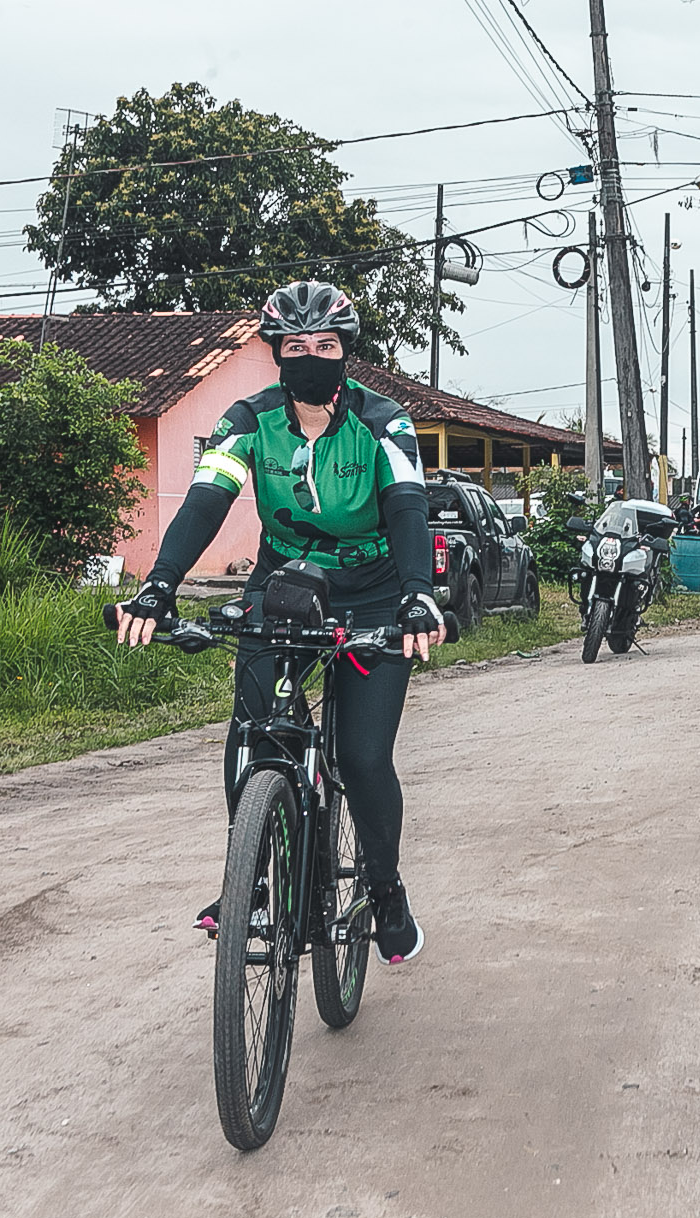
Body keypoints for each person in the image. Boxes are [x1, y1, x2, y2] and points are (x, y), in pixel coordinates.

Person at [113, 281, 445, 963]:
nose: (311, 357)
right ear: (276, 353)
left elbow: (409, 505)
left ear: (346, 351)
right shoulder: (248, 419)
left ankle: (383, 886)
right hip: (284, 588)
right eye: (295, 346)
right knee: (251, 735)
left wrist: (418, 594)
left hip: (376, 594)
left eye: (325, 345)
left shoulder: (384, 421)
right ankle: (252, 882)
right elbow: (208, 497)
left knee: (360, 754)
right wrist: (158, 587)